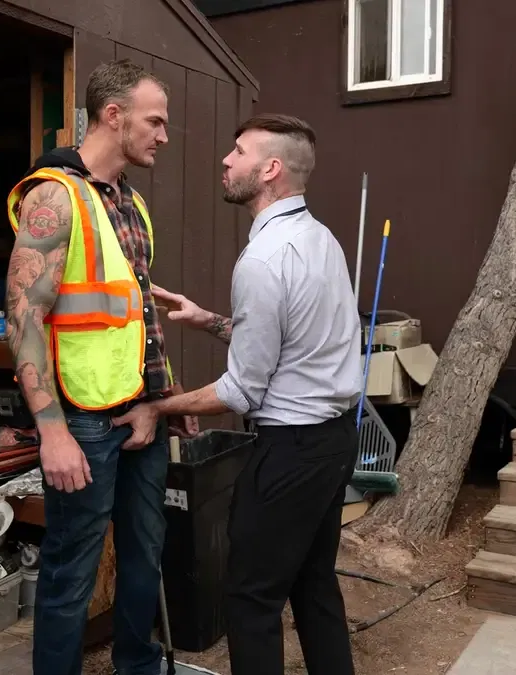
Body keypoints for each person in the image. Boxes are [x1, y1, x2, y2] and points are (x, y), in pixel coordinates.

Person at [114, 113, 361, 675]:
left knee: (250, 600)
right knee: (315, 585)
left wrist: (157, 405)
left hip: (291, 452)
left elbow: (241, 390)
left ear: (270, 169)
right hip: (334, 443)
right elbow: (290, 342)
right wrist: (207, 320)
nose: (226, 161)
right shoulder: (320, 240)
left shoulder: (263, 260)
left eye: (239, 152)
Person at [3, 58, 198, 675]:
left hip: (139, 411)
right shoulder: (53, 200)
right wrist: (51, 431)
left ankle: (138, 666)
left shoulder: (132, 207)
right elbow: (22, 320)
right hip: (80, 421)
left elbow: (135, 314)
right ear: (113, 117)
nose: (164, 135)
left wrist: (166, 397)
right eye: (155, 121)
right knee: (73, 566)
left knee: (146, 551)